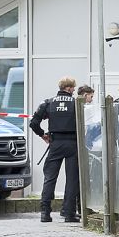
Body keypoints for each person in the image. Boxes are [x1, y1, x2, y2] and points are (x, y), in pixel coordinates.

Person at [30, 77, 80, 223]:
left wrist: (43, 135)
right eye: (73, 88)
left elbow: (33, 123)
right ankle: (69, 214)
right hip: (72, 144)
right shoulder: (77, 103)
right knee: (72, 180)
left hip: (55, 143)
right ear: (70, 88)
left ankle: (45, 213)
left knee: (50, 178)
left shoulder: (49, 102)